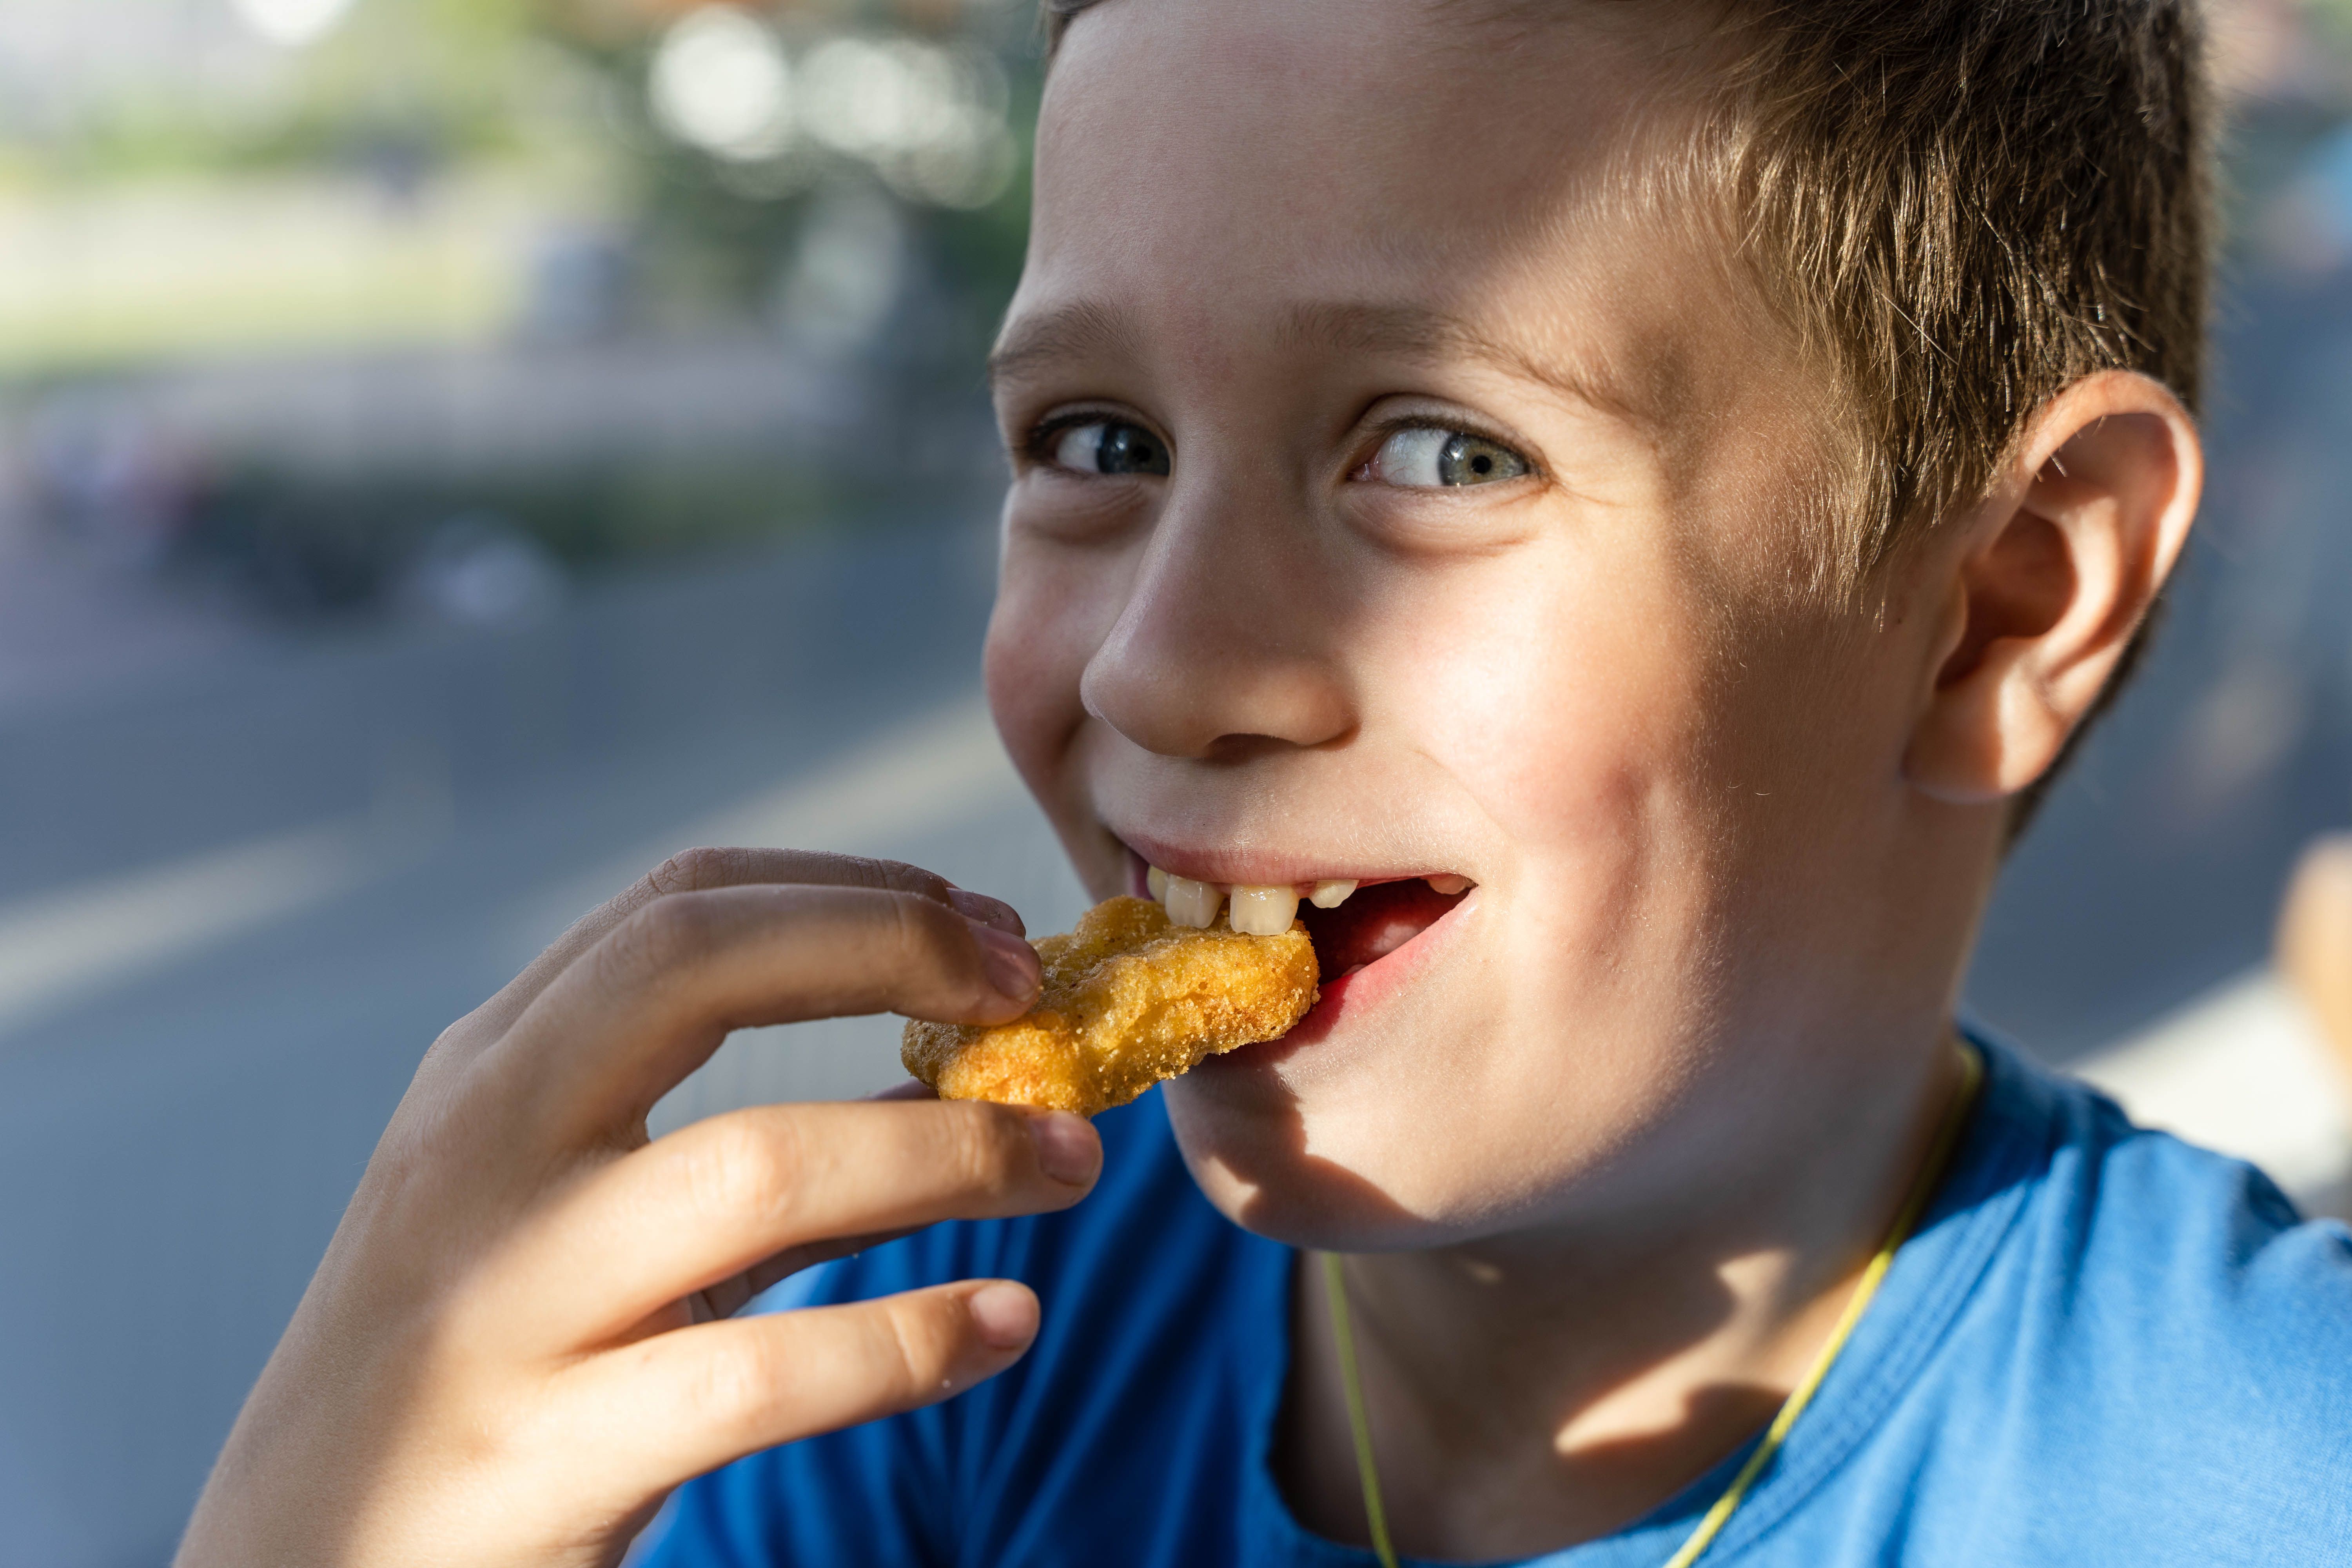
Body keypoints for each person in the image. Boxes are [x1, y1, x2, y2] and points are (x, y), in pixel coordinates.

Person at [178, 2, 2352, 1564]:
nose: (1156, 663)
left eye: (1445, 451)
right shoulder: (928, 1365)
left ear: (1999, 606)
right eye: (1098, 443)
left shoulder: (2268, 1481)